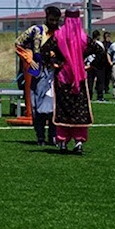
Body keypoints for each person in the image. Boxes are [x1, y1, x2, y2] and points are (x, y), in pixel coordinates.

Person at [41, 8, 102, 155]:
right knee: (79, 110)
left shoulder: (58, 36)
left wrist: (55, 63)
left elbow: (43, 51)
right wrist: (89, 65)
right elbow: (100, 52)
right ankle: (79, 141)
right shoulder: (84, 38)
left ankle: (62, 142)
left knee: (63, 110)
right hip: (79, 78)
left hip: (62, 78)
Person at [15, 5, 61, 146]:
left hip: (55, 74)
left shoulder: (60, 33)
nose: (54, 23)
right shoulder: (36, 30)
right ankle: (40, 136)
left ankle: (53, 136)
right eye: (51, 20)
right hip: (38, 74)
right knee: (37, 106)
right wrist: (29, 59)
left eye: (56, 20)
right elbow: (18, 43)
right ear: (46, 18)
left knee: (54, 106)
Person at [85, 30, 109, 103]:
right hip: (98, 65)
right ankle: (100, 96)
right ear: (98, 36)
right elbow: (102, 54)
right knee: (99, 81)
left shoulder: (89, 43)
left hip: (90, 64)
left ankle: (89, 96)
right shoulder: (99, 44)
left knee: (90, 81)